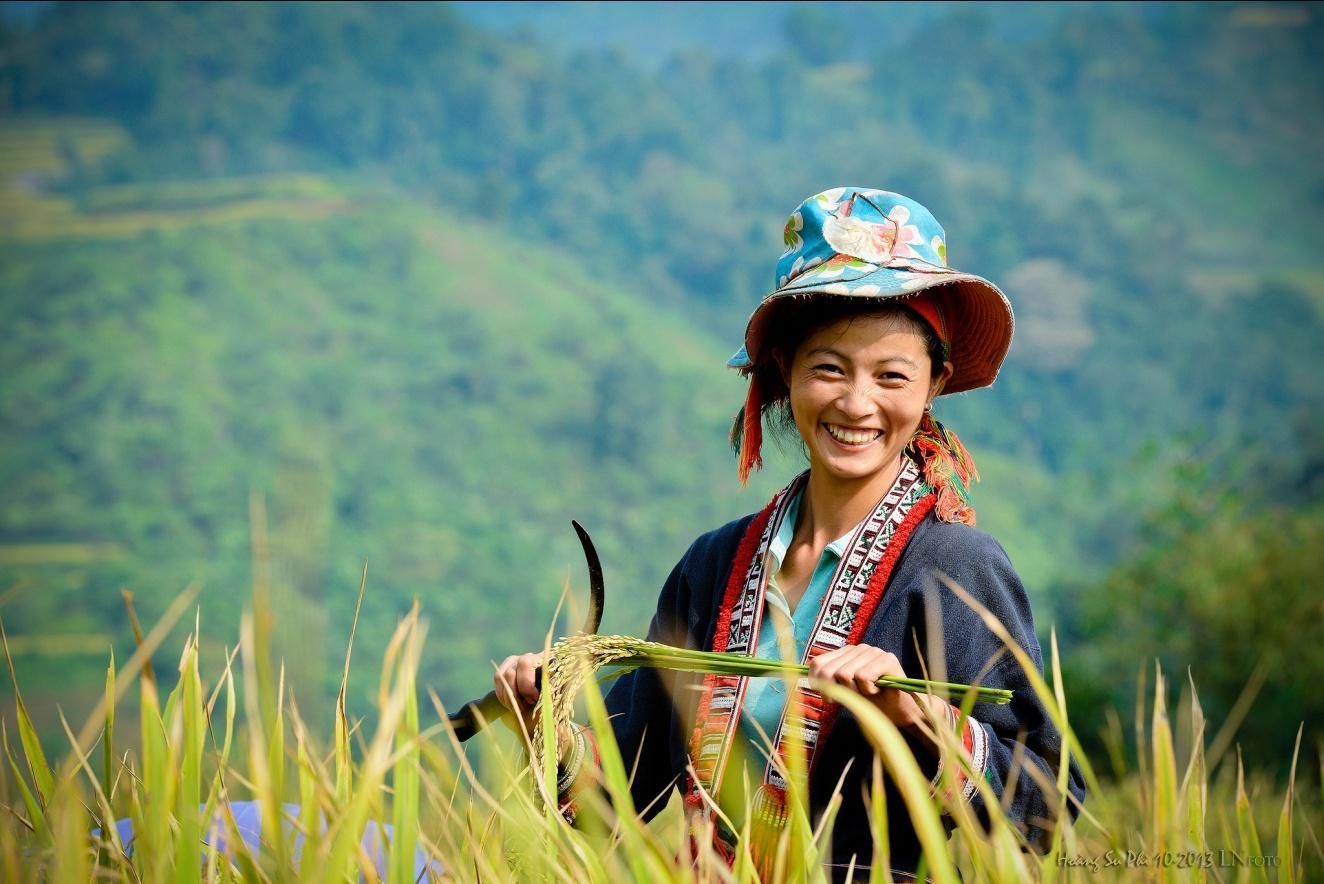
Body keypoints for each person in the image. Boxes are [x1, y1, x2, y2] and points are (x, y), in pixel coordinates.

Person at [495, 187, 1086, 879]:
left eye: (891, 375)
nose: (856, 403)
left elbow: (1048, 810)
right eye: (829, 368)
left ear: (934, 385)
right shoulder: (714, 565)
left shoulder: (956, 569)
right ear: (785, 372)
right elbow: (623, 788)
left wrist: (917, 714)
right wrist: (542, 715)